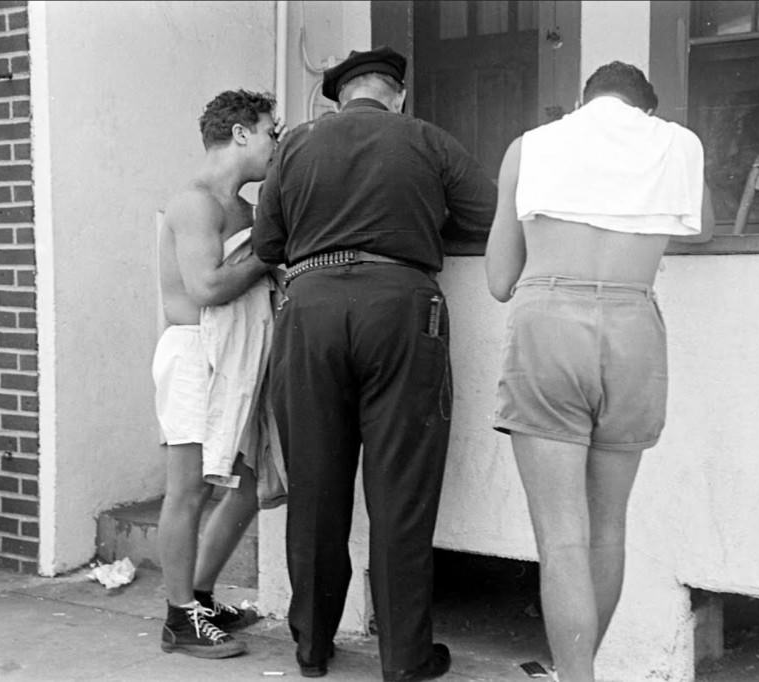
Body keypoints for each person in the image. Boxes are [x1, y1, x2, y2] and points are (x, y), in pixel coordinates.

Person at [253, 46, 496, 680]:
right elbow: (488, 214)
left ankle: (311, 647)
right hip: (401, 309)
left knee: (314, 487)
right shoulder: (425, 139)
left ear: (338, 100)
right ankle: (406, 660)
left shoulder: (297, 146)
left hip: (310, 312)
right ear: (398, 96)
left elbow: (266, 244)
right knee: (401, 493)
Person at [484, 62, 714, 682]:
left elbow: (500, 280)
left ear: (583, 101)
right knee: (607, 529)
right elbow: (703, 226)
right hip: (635, 324)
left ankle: (575, 678)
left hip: (550, 320)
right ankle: (573, 674)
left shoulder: (531, 147)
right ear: (648, 107)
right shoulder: (679, 144)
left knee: (562, 538)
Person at [153, 89, 281, 659]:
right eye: (270, 131)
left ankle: (199, 594)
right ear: (241, 134)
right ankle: (179, 618)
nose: (275, 143)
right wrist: (268, 252)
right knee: (188, 488)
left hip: (239, 357)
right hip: (193, 355)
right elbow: (206, 287)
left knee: (250, 483)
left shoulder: (250, 212)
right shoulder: (196, 203)